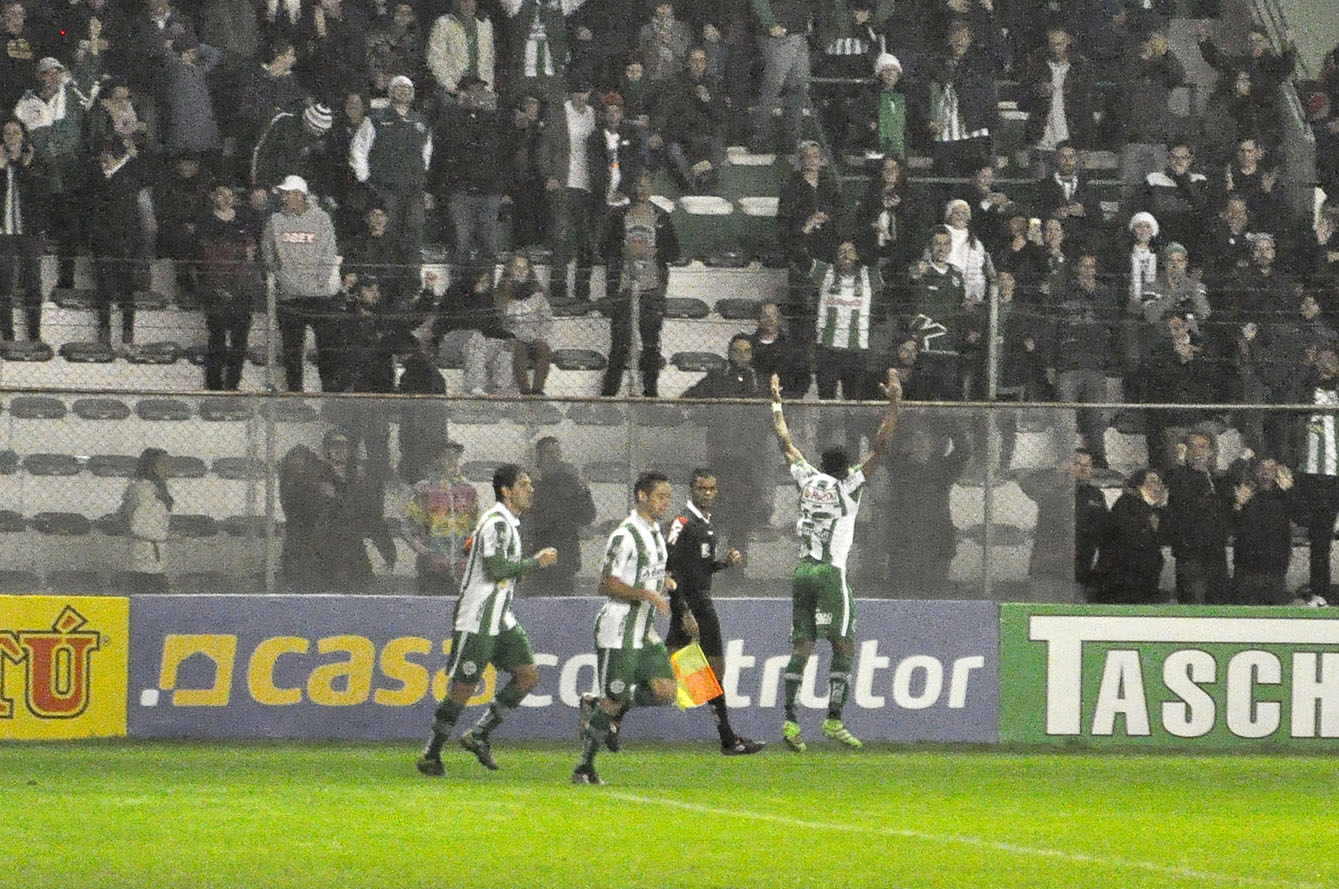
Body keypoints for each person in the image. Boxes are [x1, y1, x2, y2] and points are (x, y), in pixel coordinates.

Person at [769, 367, 901, 751]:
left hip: (802, 571)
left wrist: (776, 402)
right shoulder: (849, 486)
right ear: (846, 469)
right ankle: (833, 719)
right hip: (829, 574)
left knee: (803, 647)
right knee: (844, 646)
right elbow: (880, 448)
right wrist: (894, 403)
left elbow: (785, 441)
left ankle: (790, 722)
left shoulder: (807, 479)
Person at [418, 463, 560, 777]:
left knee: (528, 676)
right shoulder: (497, 522)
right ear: (506, 491)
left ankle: (479, 734)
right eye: (523, 484)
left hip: (501, 616)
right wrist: (535, 563)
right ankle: (431, 753)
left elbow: (480, 554)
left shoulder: (505, 523)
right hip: (478, 617)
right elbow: (495, 569)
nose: (530, 489)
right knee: (463, 689)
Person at [571, 471, 677, 785]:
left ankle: (595, 703)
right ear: (642, 496)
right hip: (619, 625)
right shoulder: (625, 534)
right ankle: (584, 767)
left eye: (668, 498)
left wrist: (664, 582)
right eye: (660, 496)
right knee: (614, 699)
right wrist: (644, 592)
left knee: (665, 692)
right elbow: (605, 584)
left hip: (645, 629)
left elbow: (650, 572)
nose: (664, 503)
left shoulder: (656, 533)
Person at [661, 469, 765, 755]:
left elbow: (698, 569)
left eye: (711, 489)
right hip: (692, 603)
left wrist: (723, 564)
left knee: (693, 673)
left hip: (700, 600)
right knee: (685, 672)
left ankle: (728, 738)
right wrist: (682, 609)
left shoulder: (706, 524)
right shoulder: (683, 523)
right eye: (701, 488)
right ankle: (728, 739)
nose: (707, 493)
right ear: (691, 490)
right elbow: (668, 570)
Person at [261, 174, 341, 391]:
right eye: (284, 194)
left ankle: (329, 397)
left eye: (287, 194)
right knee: (292, 353)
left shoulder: (322, 219)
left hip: (319, 296)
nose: (284, 198)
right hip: (289, 296)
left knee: (327, 351)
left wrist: (319, 280)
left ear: (300, 195)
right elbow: (268, 253)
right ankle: (295, 397)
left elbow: (329, 252)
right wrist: (281, 277)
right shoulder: (275, 221)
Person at [404, 439, 479, 596]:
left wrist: (467, 554)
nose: (452, 461)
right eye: (447, 457)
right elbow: (410, 526)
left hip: (462, 568)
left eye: (455, 457)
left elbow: (476, 527)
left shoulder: (467, 490)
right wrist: (428, 552)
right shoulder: (424, 489)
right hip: (433, 567)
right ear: (437, 460)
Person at [527, 437, 596, 596]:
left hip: (565, 558)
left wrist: (583, 491)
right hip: (537, 557)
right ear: (539, 457)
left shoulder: (571, 484)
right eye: (549, 453)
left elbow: (588, 516)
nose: (554, 457)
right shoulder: (531, 486)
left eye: (557, 453)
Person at [1092, 468, 1168, 604]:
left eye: (1159, 482)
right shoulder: (1127, 505)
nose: (1158, 485)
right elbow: (1132, 539)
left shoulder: (1150, 508)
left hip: (1141, 583)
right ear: (1139, 486)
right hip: (1124, 584)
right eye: (1152, 481)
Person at [120, 447, 173, 593]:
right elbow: (138, 526)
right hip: (146, 558)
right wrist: (166, 536)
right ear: (153, 466)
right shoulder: (145, 491)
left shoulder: (149, 488)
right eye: (164, 463)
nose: (169, 467)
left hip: (150, 556)